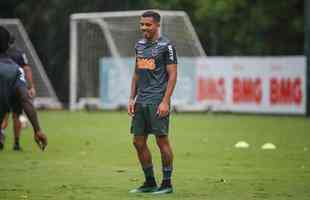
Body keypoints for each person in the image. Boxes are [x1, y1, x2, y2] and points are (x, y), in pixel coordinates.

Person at [128, 11, 177, 194]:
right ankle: (149, 182)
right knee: (138, 142)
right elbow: (136, 73)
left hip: (157, 100)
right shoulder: (139, 45)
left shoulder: (167, 45)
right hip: (141, 100)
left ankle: (167, 184)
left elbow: (173, 75)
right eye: (142, 24)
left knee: (161, 141)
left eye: (147, 25)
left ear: (157, 25)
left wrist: (165, 101)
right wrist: (131, 98)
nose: (144, 28)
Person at [0, 26, 47, 151]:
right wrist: (37, 130)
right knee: (16, 115)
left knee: (5, 115)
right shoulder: (17, 64)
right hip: (14, 89)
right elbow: (26, 69)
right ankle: (16, 142)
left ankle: (2, 131)